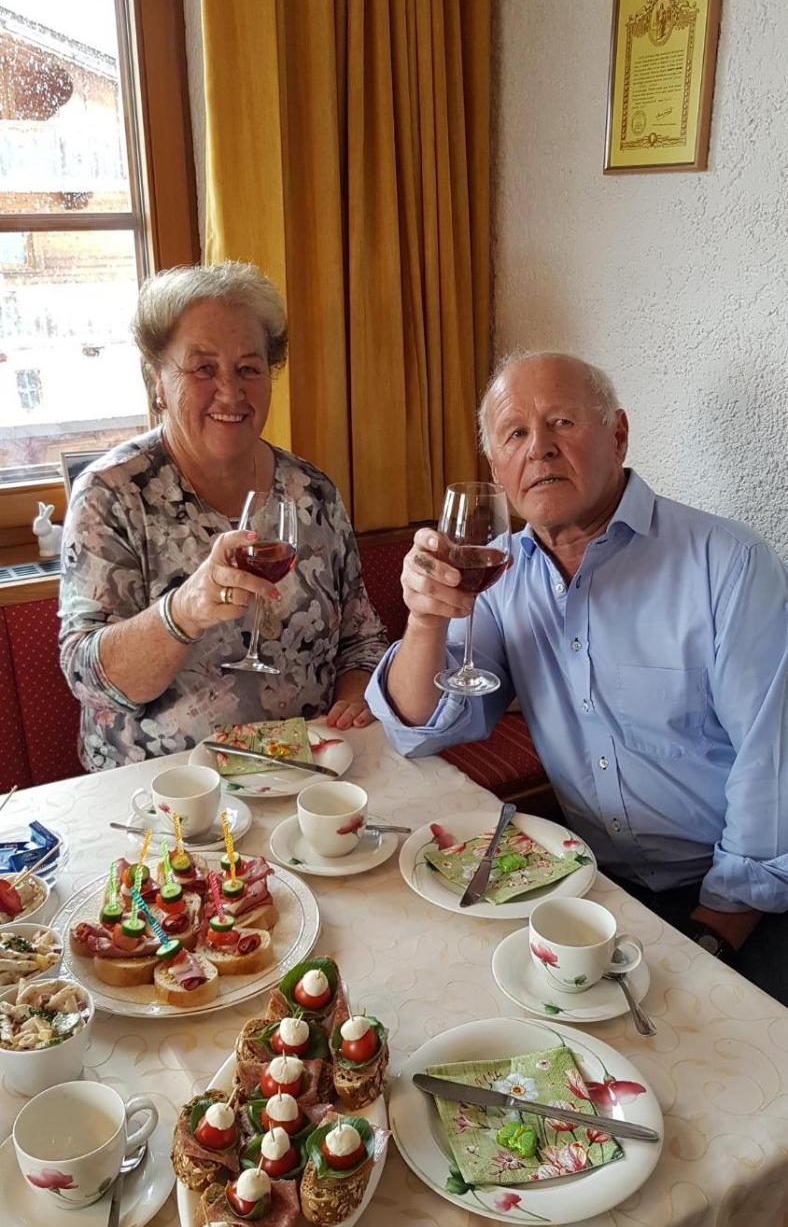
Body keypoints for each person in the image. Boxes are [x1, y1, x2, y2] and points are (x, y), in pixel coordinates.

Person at [366, 351, 788, 1002]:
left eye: (561, 422)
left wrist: (714, 931)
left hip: (741, 901)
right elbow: (420, 727)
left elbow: (772, 765)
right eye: (515, 433)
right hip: (591, 889)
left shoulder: (728, 565)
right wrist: (424, 618)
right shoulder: (500, 574)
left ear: (617, 435)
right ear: (496, 470)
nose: (539, 447)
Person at [60, 261, 387, 770]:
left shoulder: (312, 493)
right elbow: (91, 681)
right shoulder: (112, 494)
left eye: (249, 369)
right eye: (203, 368)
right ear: (157, 381)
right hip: (167, 790)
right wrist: (183, 610)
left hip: (304, 772)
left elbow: (361, 640)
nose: (231, 392)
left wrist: (351, 701)